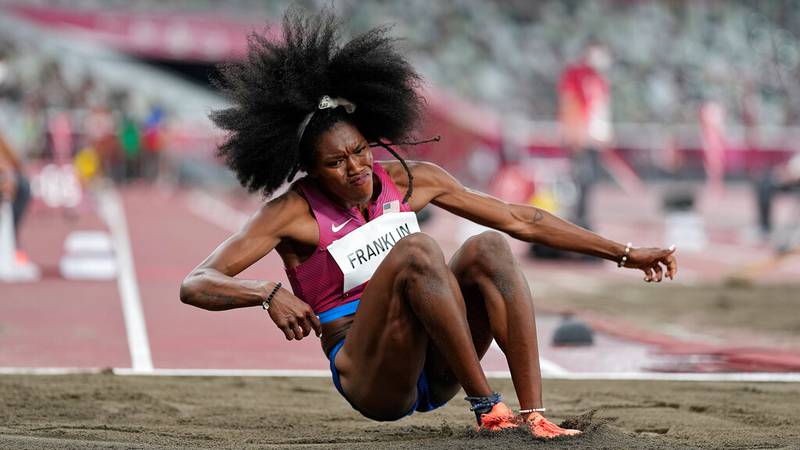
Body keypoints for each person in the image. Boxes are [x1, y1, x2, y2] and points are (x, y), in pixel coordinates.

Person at [180, 9, 677, 440]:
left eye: (360, 151)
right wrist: (265, 293)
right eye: (336, 164)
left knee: (488, 247)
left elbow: (521, 219)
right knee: (417, 252)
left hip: (438, 362)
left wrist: (626, 253)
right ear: (311, 169)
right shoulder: (291, 213)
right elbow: (195, 283)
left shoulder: (415, 180)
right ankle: (488, 409)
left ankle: (534, 416)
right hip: (373, 375)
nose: (355, 169)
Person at [558, 41, 613, 230]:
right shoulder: (576, 74)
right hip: (581, 135)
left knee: (590, 180)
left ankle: (583, 216)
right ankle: (574, 216)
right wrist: (574, 131)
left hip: (594, 137)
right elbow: (569, 101)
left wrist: (605, 133)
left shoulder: (600, 79)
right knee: (580, 176)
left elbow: (601, 109)